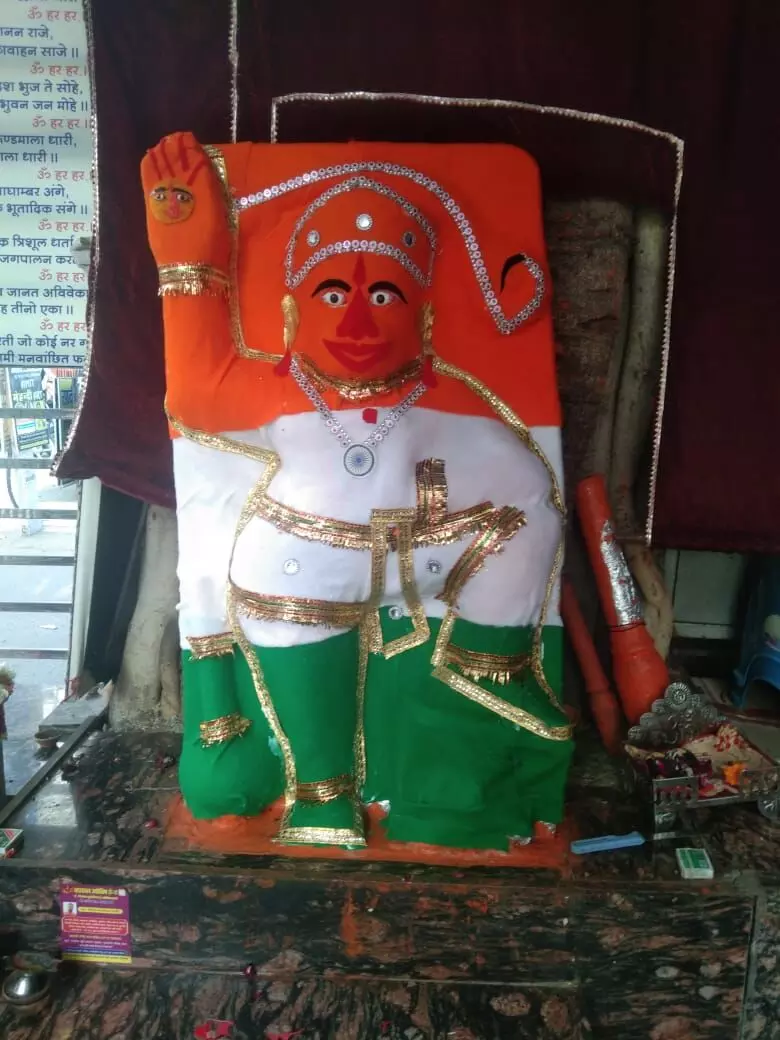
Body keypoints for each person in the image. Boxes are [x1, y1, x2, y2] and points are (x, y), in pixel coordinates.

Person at [141, 133, 573, 849]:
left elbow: (524, 487)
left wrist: (493, 630)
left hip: (424, 564)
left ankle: (487, 678)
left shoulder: (443, 401)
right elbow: (194, 396)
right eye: (334, 294)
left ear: (425, 317)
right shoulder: (280, 391)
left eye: (383, 295)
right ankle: (321, 791)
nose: (357, 322)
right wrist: (191, 261)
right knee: (290, 606)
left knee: (530, 511)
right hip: (297, 568)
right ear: (291, 315)